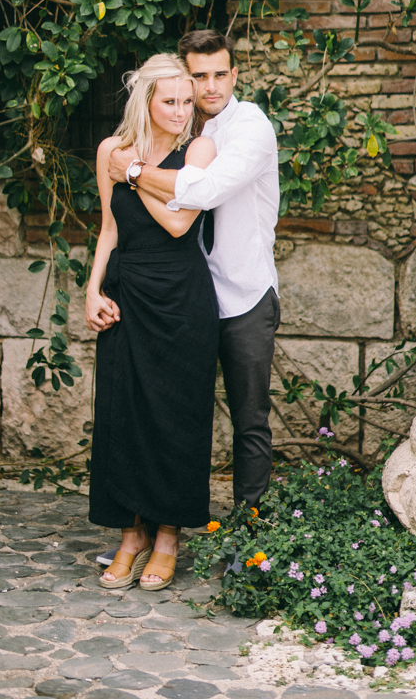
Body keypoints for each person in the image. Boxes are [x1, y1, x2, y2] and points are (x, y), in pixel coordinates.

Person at [109, 29, 280, 512]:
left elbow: (200, 192)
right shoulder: (184, 134)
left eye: (220, 74)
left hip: (244, 294)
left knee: (249, 419)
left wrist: (134, 172)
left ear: (235, 75)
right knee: (172, 412)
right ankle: (161, 524)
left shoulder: (251, 126)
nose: (210, 87)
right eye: (198, 76)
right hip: (189, 297)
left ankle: (251, 538)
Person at [85, 54, 218, 590]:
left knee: (175, 414)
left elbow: (180, 222)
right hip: (126, 291)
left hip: (181, 297)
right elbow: (108, 228)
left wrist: (136, 176)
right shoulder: (109, 151)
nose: (183, 111)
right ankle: (129, 534)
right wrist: (92, 289)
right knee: (123, 413)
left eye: (188, 101)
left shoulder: (201, 150)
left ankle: (167, 536)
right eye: (171, 101)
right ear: (145, 101)